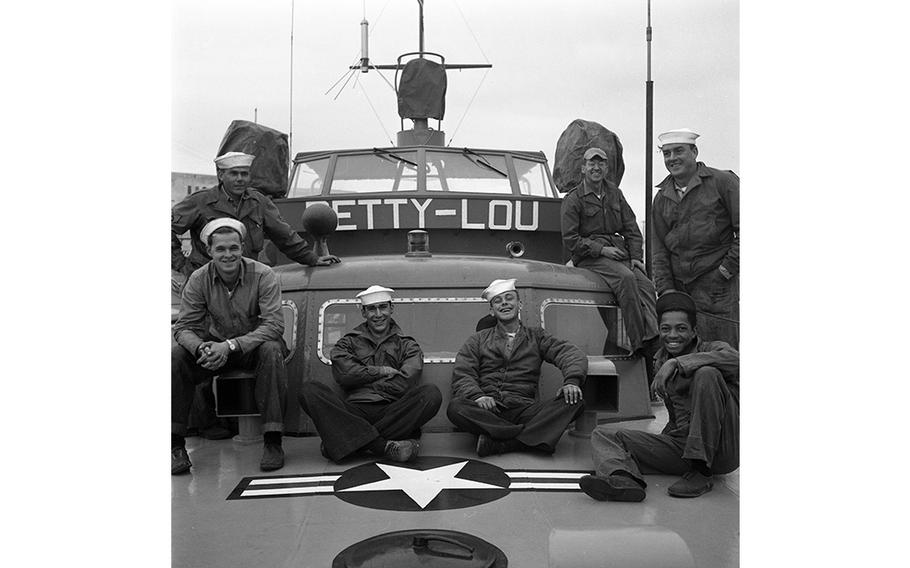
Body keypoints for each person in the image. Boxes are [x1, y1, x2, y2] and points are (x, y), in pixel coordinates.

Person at [579, 291, 738, 501]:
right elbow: (676, 415)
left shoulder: (713, 349)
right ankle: (623, 480)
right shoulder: (660, 359)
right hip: (684, 446)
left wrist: (678, 363)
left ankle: (702, 471)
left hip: (721, 448)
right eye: (665, 329)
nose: (672, 335)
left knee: (706, 373)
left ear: (693, 332)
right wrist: (657, 445)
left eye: (681, 328)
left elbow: (737, 361)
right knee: (603, 435)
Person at [172, 218, 290, 475]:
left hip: (253, 349)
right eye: (221, 249)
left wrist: (232, 345)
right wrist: (202, 349)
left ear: (242, 247)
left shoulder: (263, 275)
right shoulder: (198, 280)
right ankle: (175, 445)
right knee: (178, 356)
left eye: (233, 248)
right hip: (215, 349)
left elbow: (273, 325)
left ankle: (272, 441)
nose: (228, 255)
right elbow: (183, 328)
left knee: (272, 350)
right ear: (209, 251)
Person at [298, 285, 442, 463]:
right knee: (309, 390)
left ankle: (344, 440)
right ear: (363, 312)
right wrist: (381, 371)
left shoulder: (407, 345)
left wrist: (366, 382)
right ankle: (382, 447)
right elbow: (345, 375)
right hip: (355, 410)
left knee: (431, 394)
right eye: (372, 309)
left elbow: (407, 381)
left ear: (391, 309)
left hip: (393, 410)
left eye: (383, 307)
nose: (378, 314)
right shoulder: (347, 343)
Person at [447, 279, 588, 457]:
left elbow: (570, 354)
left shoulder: (537, 337)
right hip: (488, 411)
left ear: (519, 304)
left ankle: (505, 443)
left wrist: (572, 381)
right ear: (492, 310)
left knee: (575, 402)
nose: (504, 303)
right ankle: (529, 437)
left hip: (524, 409)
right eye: (498, 301)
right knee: (456, 407)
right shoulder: (477, 339)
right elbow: (463, 373)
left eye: (509, 298)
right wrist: (478, 396)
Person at [171, 151, 339, 286]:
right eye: (234, 174)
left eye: (244, 174)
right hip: (206, 282)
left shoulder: (259, 202)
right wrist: (182, 265)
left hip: (246, 283)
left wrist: (312, 258)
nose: (240, 179)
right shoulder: (200, 201)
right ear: (221, 175)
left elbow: (284, 236)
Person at [560, 147, 659, 356]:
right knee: (625, 279)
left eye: (601, 163)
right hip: (589, 257)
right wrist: (602, 250)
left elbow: (631, 227)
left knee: (646, 284)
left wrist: (636, 257)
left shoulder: (615, 194)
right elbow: (571, 240)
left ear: (606, 167)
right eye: (591, 164)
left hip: (618, 253)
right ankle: (638, 341)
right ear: (583, 168)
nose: (596, 168)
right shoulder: (573, 199)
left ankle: (654, 336)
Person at [651, 129, 739, 348]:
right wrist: (667, 290)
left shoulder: (723, 182)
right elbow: (658, 248)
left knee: (722, 355)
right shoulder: (661, 198)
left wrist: (725, 271)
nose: (672, 158)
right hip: (679, 292)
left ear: (694, 152)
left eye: (678, 151)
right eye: (667, 153)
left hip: (717, 289)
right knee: (683, 358)